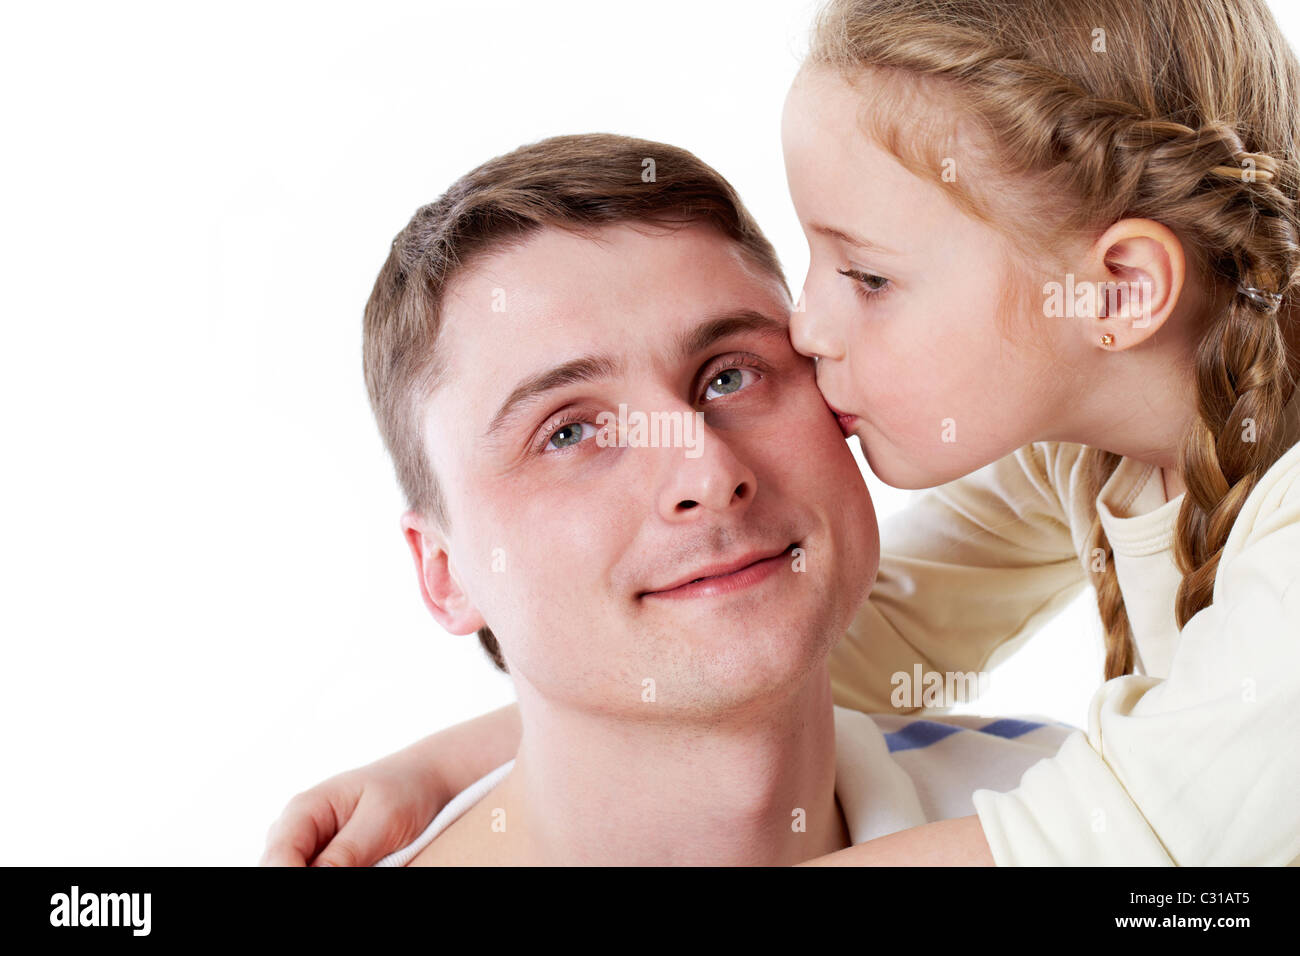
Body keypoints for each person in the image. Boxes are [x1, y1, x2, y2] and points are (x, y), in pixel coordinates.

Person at [264, 0, 1300, 866]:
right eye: (570, 432)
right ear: (442, 571)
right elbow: (888, 631)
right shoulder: (1083, 455)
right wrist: (444, 768)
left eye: (868, 277)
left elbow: (1122, 836)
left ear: (1117, 291)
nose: (805, 331)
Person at [273, 131, 1071, 866]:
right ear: (445, 574)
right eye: (569, 432)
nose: (707, 475)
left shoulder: (1089, 815)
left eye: (730, 376)